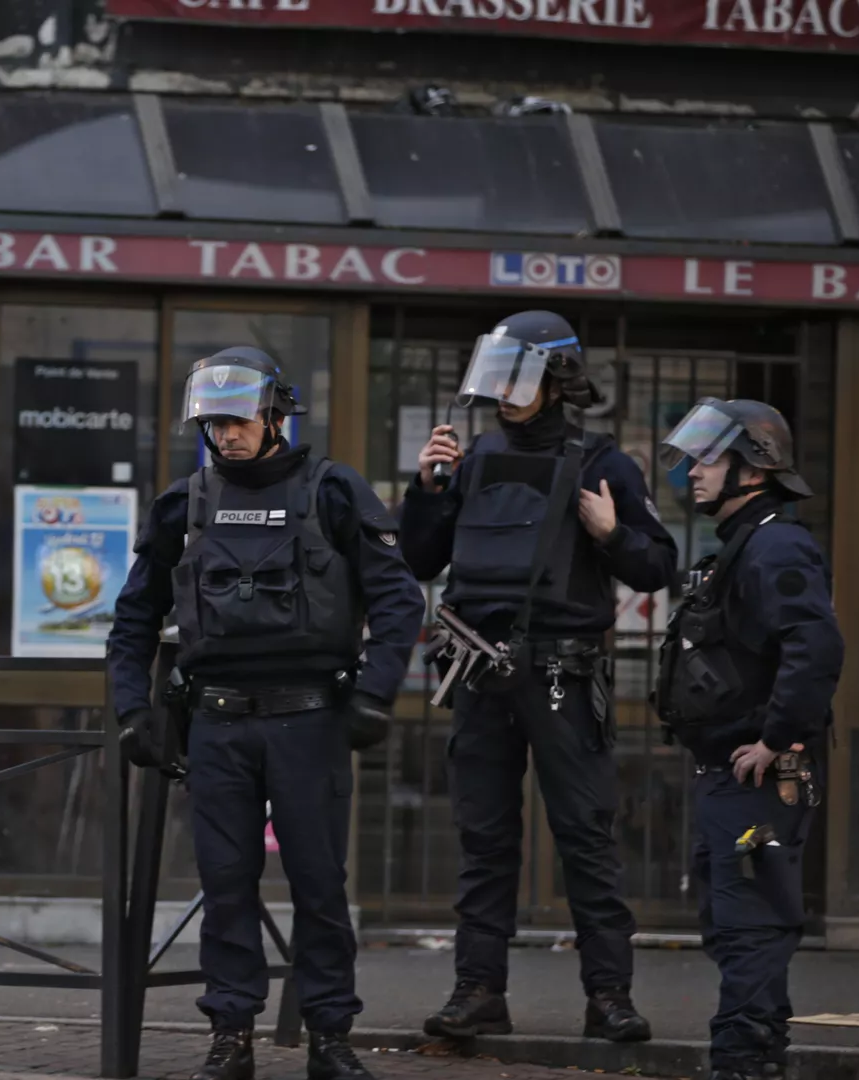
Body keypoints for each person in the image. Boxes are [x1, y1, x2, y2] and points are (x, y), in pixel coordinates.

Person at [107, 347, 425, 1080]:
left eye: (239, 421)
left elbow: (399, 599)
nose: (226, 435)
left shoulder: (333, 491)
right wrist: (132, 711)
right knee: (226, 887)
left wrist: (375, 694)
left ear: (276, 415)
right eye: (214, 424)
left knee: (319, 887)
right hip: (217, 725)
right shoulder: (185, 503)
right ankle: (231, 1037)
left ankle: (330, 1038)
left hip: (309, 722)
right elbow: (133, 617)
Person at [401, 310, 677, 1043]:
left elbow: (658, 565)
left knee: (585, 836)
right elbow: (419, 560)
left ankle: (609, 996)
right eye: (498, 377)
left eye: (518, 377)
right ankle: (478, 991)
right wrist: (426, 489)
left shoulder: (602, 463)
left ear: (558, 380)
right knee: (484, 838)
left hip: (562, 672)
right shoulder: (474, 458)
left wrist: (611, 533)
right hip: (478, 673)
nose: (504, 392)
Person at [655, 399, 840, 1080]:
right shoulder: (746, 544)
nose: (694, 473)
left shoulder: (775, 545)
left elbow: (815, 647)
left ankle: (742, 1063)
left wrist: (776, 739)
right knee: (737, 926)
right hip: (731, 775)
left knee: (750, 926)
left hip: (759, 778)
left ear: (753, 469)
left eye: (709, 459)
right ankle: (754, 1058)